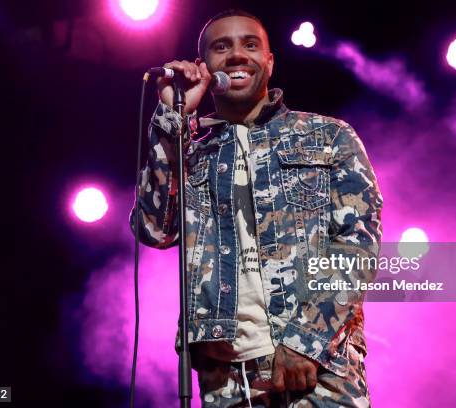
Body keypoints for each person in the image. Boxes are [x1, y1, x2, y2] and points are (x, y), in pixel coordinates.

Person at [131, 9, 383, 408]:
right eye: (221, 47)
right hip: (227, 376)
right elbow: (153, 230)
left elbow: (357, 246)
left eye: (250, 45)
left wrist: (305, 340)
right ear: (204, 67)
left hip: (320, 370)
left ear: (269, 61)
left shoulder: (329, 136)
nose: (235, 55)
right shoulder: (190, 153)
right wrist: (172, 119)